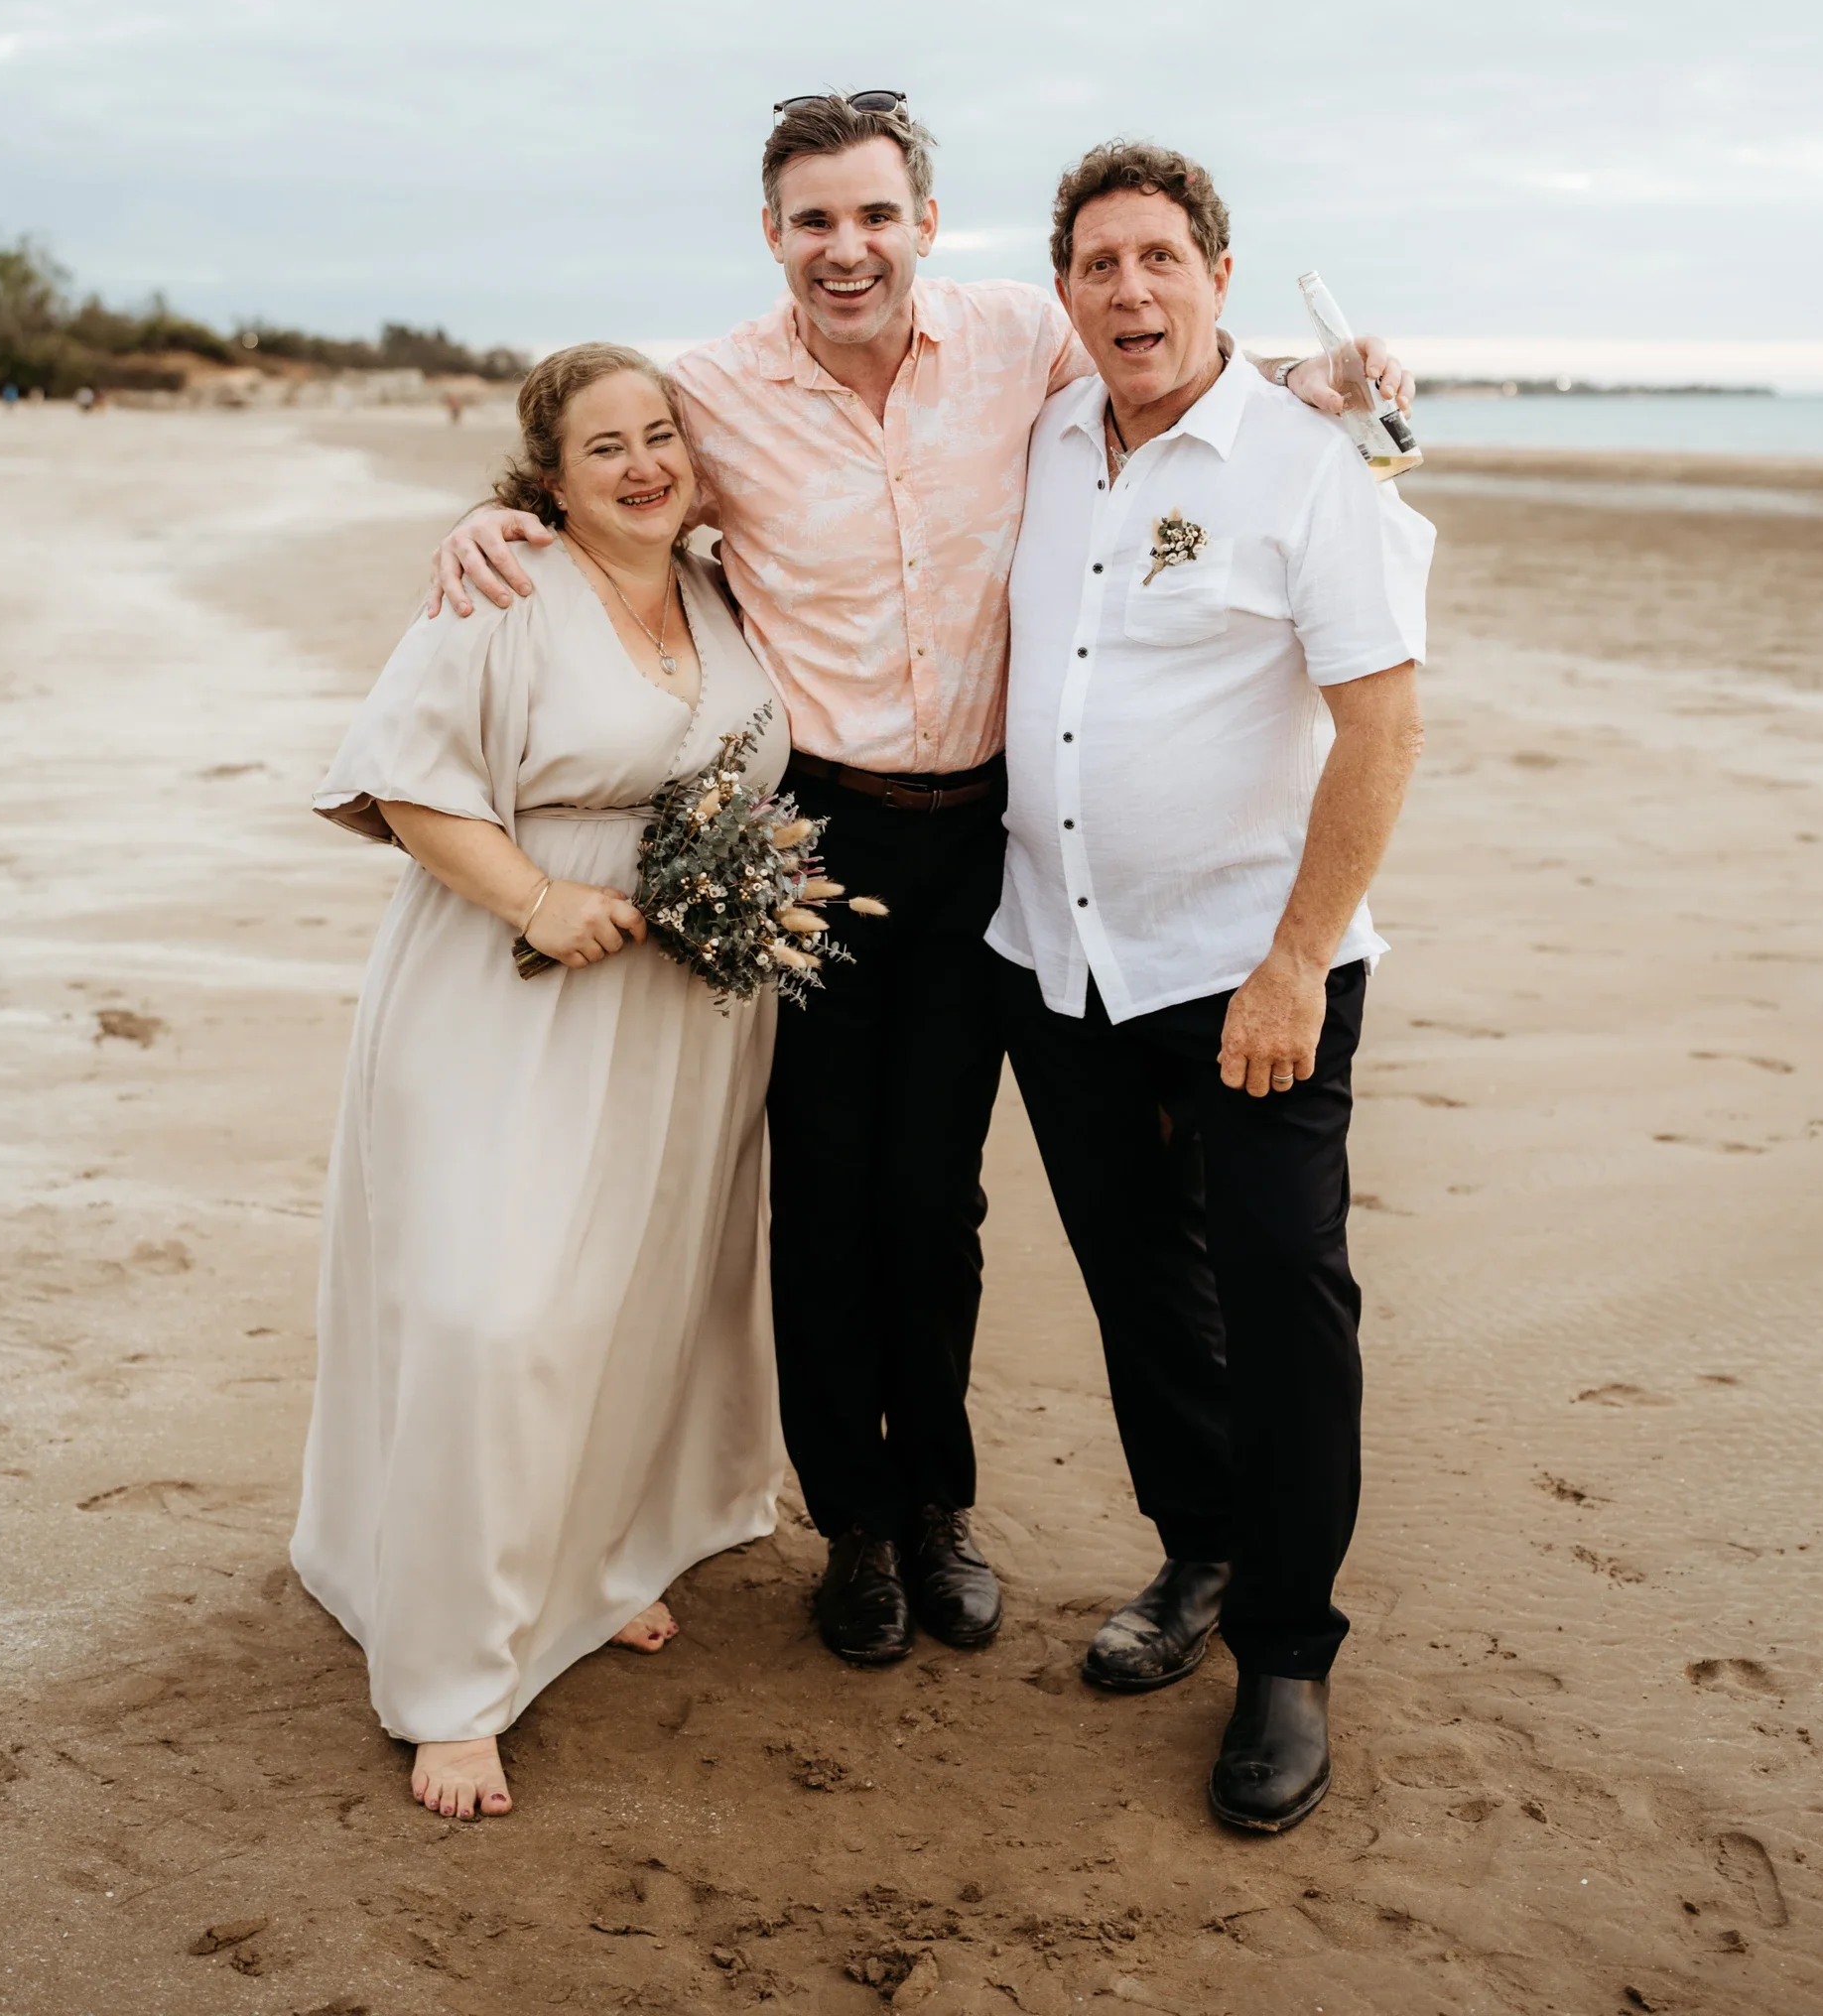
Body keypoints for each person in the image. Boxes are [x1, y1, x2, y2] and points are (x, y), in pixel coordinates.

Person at [430, 93, 1410, 1670]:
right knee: (824, 1196)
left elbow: (1178, 370)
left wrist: (1319, 383)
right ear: (773, 236)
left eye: (875, 215)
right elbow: (607, 474)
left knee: (933, 1200)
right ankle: (859, 1531)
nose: (847, 247)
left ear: (923, 225)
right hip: (811, 840)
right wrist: (497, 517)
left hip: (992, 844)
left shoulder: (1023, 337)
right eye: (813, 220)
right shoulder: (709, 391)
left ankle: (943, 1510)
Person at [987, 141, 1431, 1837]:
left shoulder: (1314, 459)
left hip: (1253, 963)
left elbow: (1383, 724)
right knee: (1138, 1278)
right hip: (1061, 951)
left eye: (1161, 258)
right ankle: (1200, 1550)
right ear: (1065, 290)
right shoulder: (1045, 436)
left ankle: (1286, 1654)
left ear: (1219, 279)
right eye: (1098, 264)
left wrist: (1296, 960)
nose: (1130, 290)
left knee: (1284, 1291)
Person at [294, 343, 788, 1821]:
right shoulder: (500, 588)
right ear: (547, 480)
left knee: (629, 1295)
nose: (643, 466)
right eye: (605, 449)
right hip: (508, 997)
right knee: (490, 1307)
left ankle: (587, 1571)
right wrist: (532, 901)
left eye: (661, 438)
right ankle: (450, 1678)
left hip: (681, 1012)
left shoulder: (716, 587)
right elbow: (400, 779)